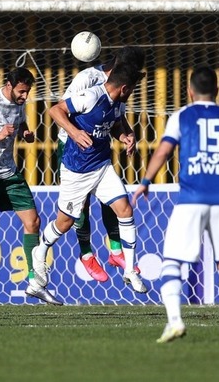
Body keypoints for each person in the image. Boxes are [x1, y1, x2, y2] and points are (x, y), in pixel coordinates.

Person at [132, 65, 219, 343]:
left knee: (172, 261)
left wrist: (145, 181)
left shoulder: (182, 116)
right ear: (218, 90)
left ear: (189, 91)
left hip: (190, 200)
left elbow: (163, 150)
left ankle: (175, 321)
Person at [33, 62, 147, 296]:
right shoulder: (91, 95)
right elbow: (56, 110)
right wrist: (74, 133)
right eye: (133, 88)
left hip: (102, 166)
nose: (133, 92)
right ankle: (41, 249)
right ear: (124, 87)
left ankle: (130, 271)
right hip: (77, 170)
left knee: (125, 210)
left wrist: (124, 136)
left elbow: (113, 124)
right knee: (64, 223)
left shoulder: (117, 103)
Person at [0, 67, 62, 320]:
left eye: (27, 92)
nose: (25, 96)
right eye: (21, 91)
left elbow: (19, 123)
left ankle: (35, 283)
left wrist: (26, 132)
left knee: (33, 221)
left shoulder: (19, 104)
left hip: (9, 173)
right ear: (8, 85)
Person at [58, 46, 145, 282]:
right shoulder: (87, 79)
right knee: (81, 205)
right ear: (118, 64)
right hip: (71, 145)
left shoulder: (122, 84)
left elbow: (116, 116)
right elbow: (61, 109)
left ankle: (115, 251)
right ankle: (86, 254)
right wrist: (75, 134)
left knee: (113, 197)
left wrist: (127, 133)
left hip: (99, 147)